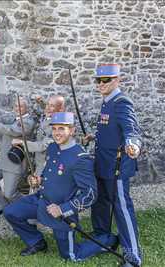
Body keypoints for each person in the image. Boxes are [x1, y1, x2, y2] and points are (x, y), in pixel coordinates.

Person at [4, 112, 118, 261]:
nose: (57, 133)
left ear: (72, 130)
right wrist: (38, 180)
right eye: (55, 128)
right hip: (41, 201)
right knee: (11, 212)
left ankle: (109, 241)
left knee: (71, 256)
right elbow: (50, 174)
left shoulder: (81, 158)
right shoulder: (53, 147)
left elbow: (90, 194)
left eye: (61, 129)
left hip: (61, 213)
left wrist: (62, 209)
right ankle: (36, 242)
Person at [84, 64, 142, 267]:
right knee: (100, 202)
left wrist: (133, 144)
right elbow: (111, 130)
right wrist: (94, 136)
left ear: (117, 79)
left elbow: (131, 129)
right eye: (98, 80)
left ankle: (133, 256)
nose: (101, 84)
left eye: (106, 80)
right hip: (102, 164)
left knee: (122, 209)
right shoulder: (106, 102)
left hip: (117, 168)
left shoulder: (121, 102)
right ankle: (102, 238)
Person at [12, 95, 65, 186]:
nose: (47, 108)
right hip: (37, 162)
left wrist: (22, 143)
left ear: (60, 110)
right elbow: (46, 109)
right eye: (47, 104)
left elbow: (43, 146)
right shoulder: (48, 115)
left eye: (51, 106)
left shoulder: (57, 127)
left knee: (37, 192)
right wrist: (41, 102)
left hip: (46, 166)